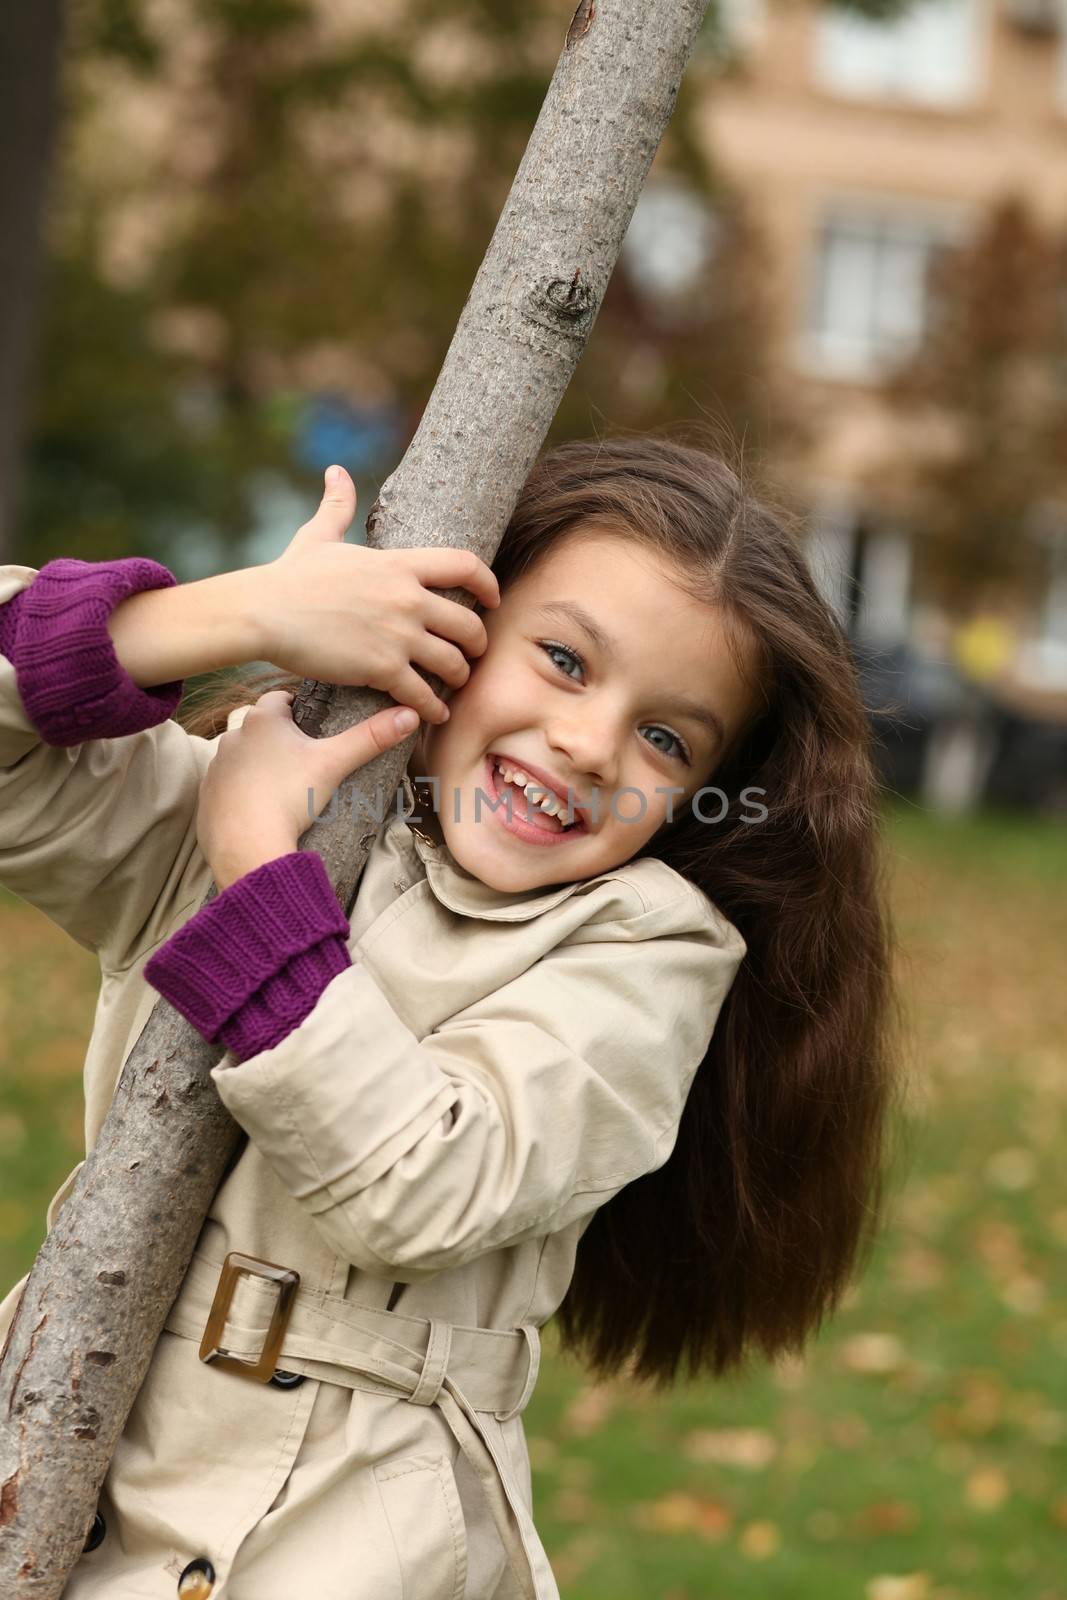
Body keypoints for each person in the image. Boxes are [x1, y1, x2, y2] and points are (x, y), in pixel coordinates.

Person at [0, 433, 900, 1600]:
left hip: (353, 1527)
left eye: (665, 738)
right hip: (67, 1430)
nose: (587, 744)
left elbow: (420, 1185)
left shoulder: (646, 949)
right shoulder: (264, 791)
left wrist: (255, 865)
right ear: (446, 623)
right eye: (565, 660)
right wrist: (239, 615)